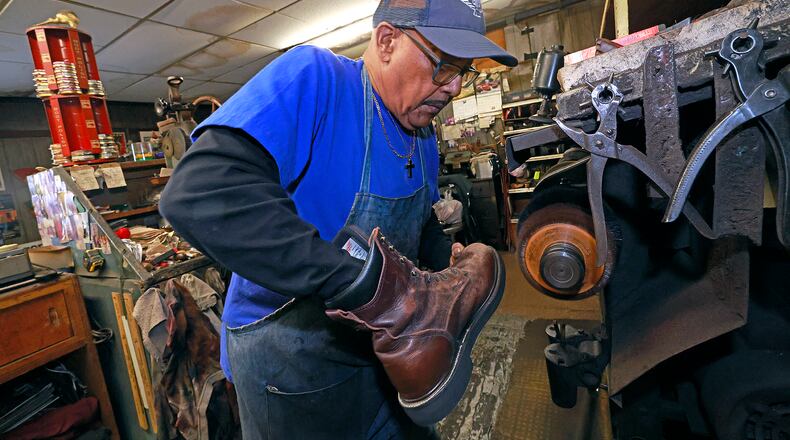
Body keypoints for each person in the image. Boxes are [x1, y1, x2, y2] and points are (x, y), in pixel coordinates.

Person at [159, 0, 517, 438]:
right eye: (444, 66)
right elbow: (201, 192)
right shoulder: (316, 79)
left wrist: (445, 262)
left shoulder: (421, 133)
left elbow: (417, 220)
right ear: (387, 41)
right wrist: (369, 288)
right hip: (291, 369)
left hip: (382, 356)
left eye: (465, 71)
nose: (455, 87)